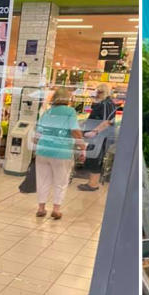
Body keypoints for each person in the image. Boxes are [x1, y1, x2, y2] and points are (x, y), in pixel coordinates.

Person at [32, 88, 86, 220]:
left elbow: (37, 134)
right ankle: (56, 209)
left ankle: (41, 207)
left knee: (42, 180)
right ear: (67, 99)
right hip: (62, 152)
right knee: (61, 181)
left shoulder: (47, 112)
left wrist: (37, 145)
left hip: (43, 151)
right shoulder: (70, 112)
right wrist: (82, 146)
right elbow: (75, 131)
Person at [79, 84, 118, 192]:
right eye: (97, 92)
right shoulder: (105, 103)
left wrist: (94, 131)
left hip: (100, 136)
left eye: (100, 92)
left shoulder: (106, 104)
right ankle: (91, 182)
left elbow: (108, 121)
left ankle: (93, 184)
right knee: (93, 157)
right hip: (98, 136)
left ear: (105, 92)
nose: (97, 94)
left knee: (96, 158)